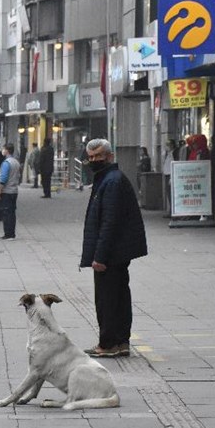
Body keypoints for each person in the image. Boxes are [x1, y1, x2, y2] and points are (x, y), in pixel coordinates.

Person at [79, 139, 147, 357]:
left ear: (110, 156)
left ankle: (108, 344)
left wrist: (100, 257)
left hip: (111, 254)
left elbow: (110, 222)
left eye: (98, 156)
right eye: (90, 157)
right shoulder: (107, 179)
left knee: (108, 300)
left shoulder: (112, 181)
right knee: (117, 298)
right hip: (115, 252)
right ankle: (119, 342)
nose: (94, 161)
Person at [0, 143, 21, 240]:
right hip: (14, 190)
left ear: (6, 150)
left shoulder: (6, 163)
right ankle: (12, 233)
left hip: (7, 191)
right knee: (12, 212)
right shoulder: (16, 162)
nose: (2, 150)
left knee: (6, 212)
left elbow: (3, 178)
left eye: (3, 149)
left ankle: (8, 233)